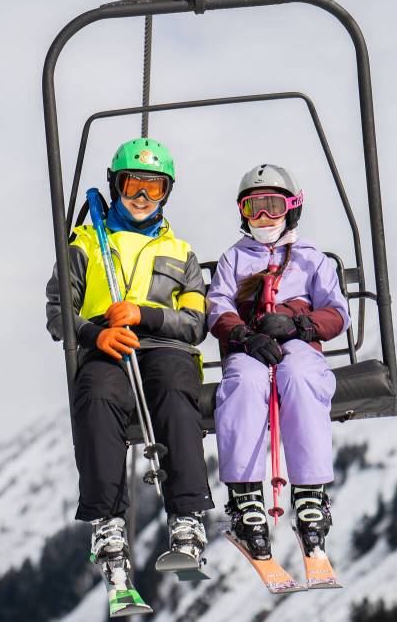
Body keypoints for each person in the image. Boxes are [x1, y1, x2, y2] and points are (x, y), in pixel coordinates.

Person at [46, 138, 213, 584]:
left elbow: (196, 322)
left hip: (164, 346)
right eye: (132, 186)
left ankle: (188, 516)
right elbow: (58, 310)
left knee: (178, 393)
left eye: (153, 189)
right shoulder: (84, 244)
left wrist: (147, 314)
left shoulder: (181, 252)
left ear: (167, 194)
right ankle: (108, 523)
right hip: (107, 344)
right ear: (115, 186)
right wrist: (93, 333)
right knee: (96, 395)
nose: (141, 198)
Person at [206, 164, 349, 558]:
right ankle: (245, 497)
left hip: (298, 343)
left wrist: (299, 325)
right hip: (250, 347)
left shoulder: (311, 260)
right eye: (255, 208)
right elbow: (217, 305)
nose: (264, 217)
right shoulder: (233, 259)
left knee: (301, 377)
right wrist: (241, 334)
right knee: (244, 384)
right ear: (243, 213)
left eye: (273, 206)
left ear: (292, 208)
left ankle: (310, 494)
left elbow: (337, 313)